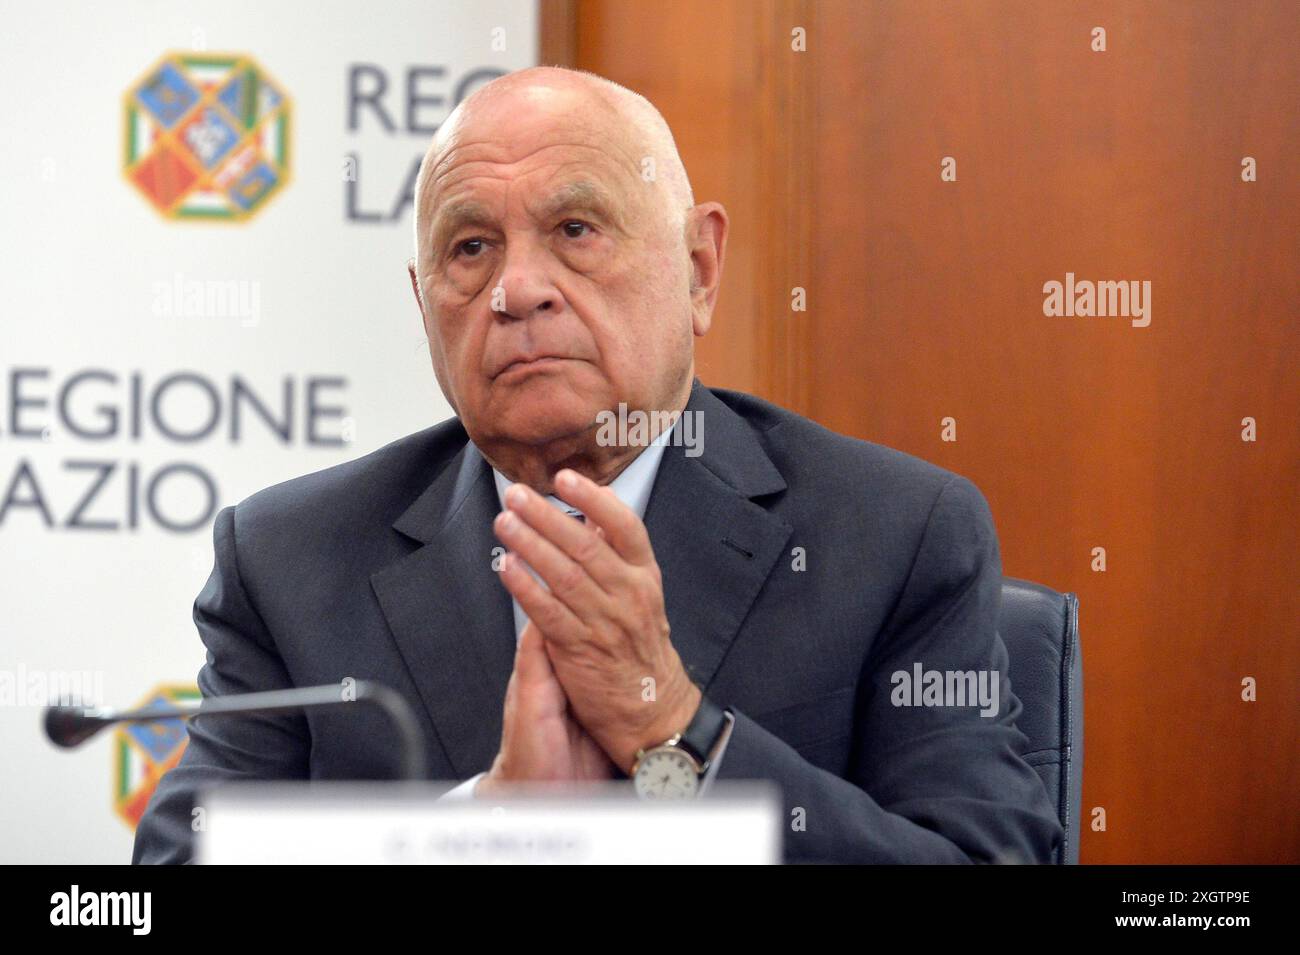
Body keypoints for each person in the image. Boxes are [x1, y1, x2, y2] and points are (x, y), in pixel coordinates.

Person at [133, 66, 1063, 864]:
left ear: (700, 269)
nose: (516, 290)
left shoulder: (895, 535)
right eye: (470, 248)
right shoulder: (289, 557)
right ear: (425, 303)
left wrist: (675, 736)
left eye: (576, 229)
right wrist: (480, 832)